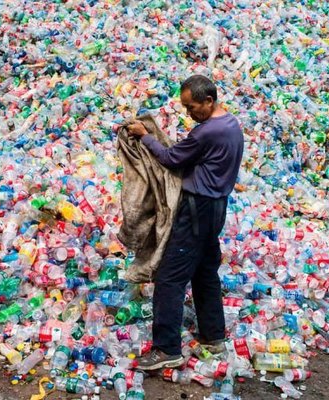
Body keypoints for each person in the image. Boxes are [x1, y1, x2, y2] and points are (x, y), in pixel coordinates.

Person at [125, 75, 244, 370]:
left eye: (193, 107)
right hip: (217, 207)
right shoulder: (231, 124)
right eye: (186, 108)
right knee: (205, 272)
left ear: (209, 101)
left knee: (170, 277)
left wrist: (145, 135)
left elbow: (170, 158)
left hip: (196, 209)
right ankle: (213, 336)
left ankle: (166, 349)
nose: (189, 114)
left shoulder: (207, 132)